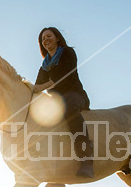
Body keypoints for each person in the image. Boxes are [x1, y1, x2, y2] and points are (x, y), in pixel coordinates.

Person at [34, 27, 93, 177]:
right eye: (43, 39)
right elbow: (36, 86)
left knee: (67, 108)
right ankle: (55, 171)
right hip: (57, 101)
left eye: (48, 36)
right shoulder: (45, 65)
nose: (46, 40)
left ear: (57, 38)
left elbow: (65, 76)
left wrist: (43, 86)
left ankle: (86, 160)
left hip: (75, 95)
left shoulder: (67, 53)